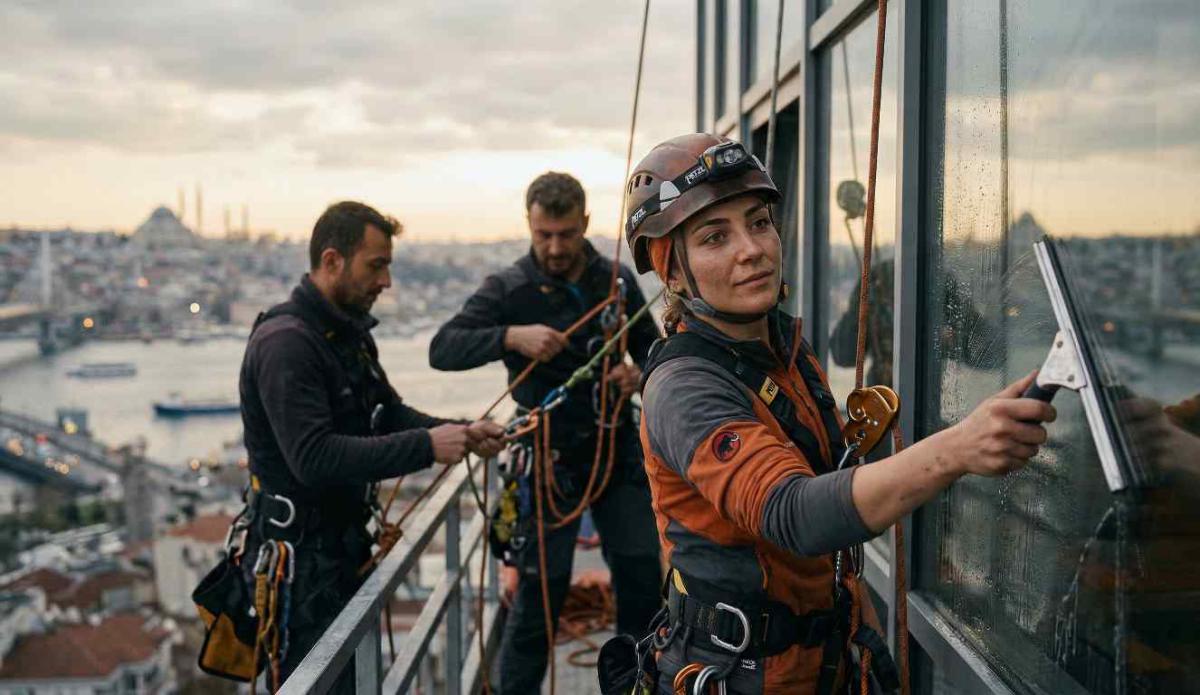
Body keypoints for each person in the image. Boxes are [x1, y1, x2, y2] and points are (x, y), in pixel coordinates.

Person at [623, 134, 1056, 694]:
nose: (751, 249)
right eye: (715, 238)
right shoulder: (686, 389)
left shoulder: (781, 349)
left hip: (819, 657)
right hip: (746, 673)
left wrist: (862, 636)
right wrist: (957, 448)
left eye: (758, 223)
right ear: (674, 274)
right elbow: (794, 514)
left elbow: (823, 491)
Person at [236, 201, 504, 691]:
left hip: (339, 553)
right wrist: (427, 445)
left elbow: (388, 413)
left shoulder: (345, 335)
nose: (385, 282)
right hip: (302, 569)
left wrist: (461, 433)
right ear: (333, 260)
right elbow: (313, 458)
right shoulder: (287, 345)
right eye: (375, 266)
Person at [429, 172, 663, 693]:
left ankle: (641, 686)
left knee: (642, 576)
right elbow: (442, 349)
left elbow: (657, 352)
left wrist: (640, 375)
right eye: (543, 236)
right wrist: (511, 335)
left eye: (565, 234)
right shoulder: (509, 290)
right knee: (539, 597)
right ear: (529, 227)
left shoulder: (617, 282)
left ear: (584, 224)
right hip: (547, 455)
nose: (554, 248)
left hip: (613, 446)